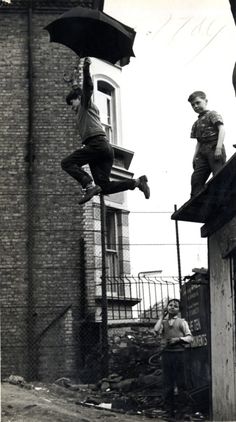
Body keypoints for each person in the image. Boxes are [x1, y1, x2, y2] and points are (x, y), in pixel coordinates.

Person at [61, 57, 150, 204]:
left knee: (66, 163)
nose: (72, 108)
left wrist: (86, 69)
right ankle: (137, 183)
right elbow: (80, 91)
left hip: (96, 144)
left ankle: (88, 185)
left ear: (79, 99)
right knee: (104, 187)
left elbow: (87, 89)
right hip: (105, 149)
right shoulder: (85, 110)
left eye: (72, 104)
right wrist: (73, 83)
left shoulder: (85, 105)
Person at [154, 299, 193, 418]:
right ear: (167, 308)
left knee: (181, 383)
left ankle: (182, 411)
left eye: (175, 306)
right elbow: (156, 330)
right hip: (167, 355)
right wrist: (161, 317)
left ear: (179, 310)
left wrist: (178, 339)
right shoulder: (164, 323)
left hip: (179, 354)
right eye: (170, 305)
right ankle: (169, 411)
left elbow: (190, 338)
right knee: (167, 384)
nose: (172, 307)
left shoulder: (182, 322)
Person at [188, 91, 226, 197]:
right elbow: (198, 142)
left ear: (206, 101)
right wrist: (194, 157)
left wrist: (218, 147)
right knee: (196, 180)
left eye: (198, 102)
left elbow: (222, 129)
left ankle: (220, 204)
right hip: (202, 152)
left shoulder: (212, 114)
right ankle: (196, 206)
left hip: (214, 147)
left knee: (219, 177)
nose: (195, 106)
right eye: (193, 105)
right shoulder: (196, 123)